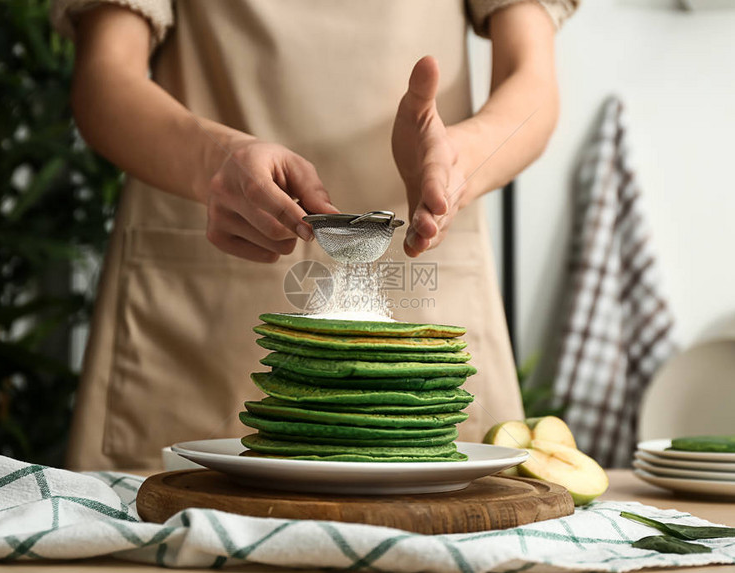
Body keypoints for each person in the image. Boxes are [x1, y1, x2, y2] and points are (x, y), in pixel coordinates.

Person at [52, 0, 577, 470]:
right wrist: (214, 160)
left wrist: (462, 159)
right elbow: (104, 80)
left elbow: (533, 84)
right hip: (199, 314)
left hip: (422, 280)